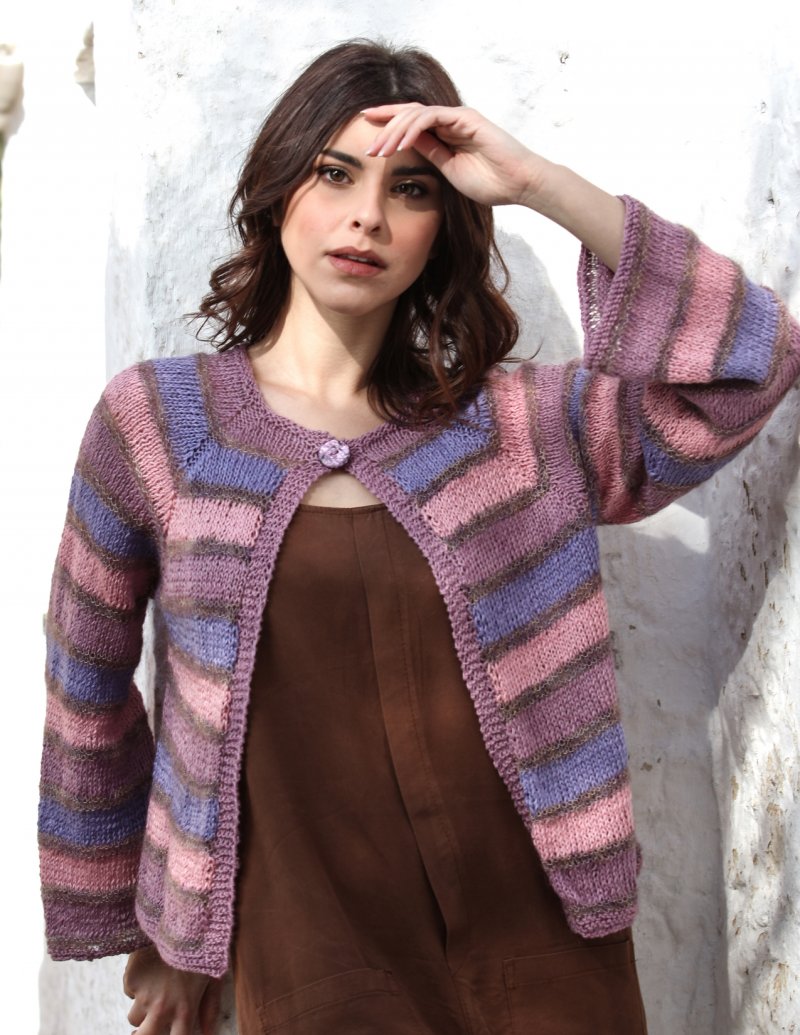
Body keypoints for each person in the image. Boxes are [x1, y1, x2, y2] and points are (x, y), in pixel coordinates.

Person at [38, 39, 800, 1035]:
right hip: (310, 948)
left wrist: (536, 182)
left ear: (444, 228)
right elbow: (86, 687)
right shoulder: (158, 425)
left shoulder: (519, 430)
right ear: (277, 190)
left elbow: (752, 362)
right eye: (334, 174)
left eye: (411, 190)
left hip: (544, 945)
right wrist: (168, 930)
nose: (367, 216)